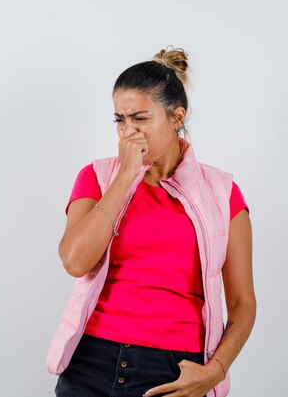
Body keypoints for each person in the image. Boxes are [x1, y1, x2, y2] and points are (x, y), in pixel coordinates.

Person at [46, 46, 256, 397]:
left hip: (173, 370)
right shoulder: (97, 177)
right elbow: (75, 261)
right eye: (120, 120)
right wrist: (126, 176)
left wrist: (214, 372)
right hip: (91, 361)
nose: (129, 132)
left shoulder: (222, 192)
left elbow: (242, 303)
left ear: (176, 118)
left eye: (140, 119)